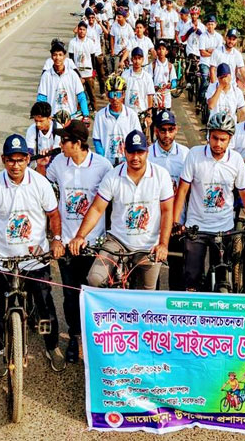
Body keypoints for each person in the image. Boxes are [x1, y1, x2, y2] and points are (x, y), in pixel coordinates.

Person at [0, 134, 67, 374]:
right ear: (3, 160)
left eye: (20, 159)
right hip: (5, 259)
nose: (15, 165)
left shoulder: (40, 183)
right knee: (3, 306)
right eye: (11, 160)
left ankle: (51, 345)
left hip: (35, 259)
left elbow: (53, 215)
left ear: (27, 159)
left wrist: (56, 241)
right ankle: (4, 351)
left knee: (45, 306)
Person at [41, 122, 112, 362]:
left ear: (78, 144)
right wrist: (41, 167)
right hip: (67, 244)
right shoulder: (59, 163)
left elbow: (107, 204)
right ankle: (75, 337)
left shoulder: (103, 166)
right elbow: (44, 188)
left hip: (93, 243)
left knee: (92, 292)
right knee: (71, 295)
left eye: (64, 141)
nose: (60, 145)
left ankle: (95, 340)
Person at [70, 130, 173, 290]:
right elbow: (97, 209)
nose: (136, 157)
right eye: (131, 152)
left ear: (147, 151)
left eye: (140, 152)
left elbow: (167, 211)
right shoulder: (112, 176)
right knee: (94, 279)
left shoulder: (161, 175)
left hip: (149, 245)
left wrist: (163, 244)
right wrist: (80, 236)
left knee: (147, 294)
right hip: (117, 242)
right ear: (124, 151)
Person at [172, 112, 245, 292]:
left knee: (222, 279)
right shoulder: (194, 155)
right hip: (196, 228)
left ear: (230, 140)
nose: (218, 144)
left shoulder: (235, 160)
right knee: (191, 282)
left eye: (223, 139)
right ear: (208, 135)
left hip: (223, 229)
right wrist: (176, 222)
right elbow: (182, 190)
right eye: (214, 138)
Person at [148, 110, 189, 288]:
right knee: (151, 272)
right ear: (156, 130)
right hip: (153, 224)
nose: (167, 134)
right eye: (162, 130)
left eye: (170, 129)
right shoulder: (147, 155)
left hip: (178, 223)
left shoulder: (186, 155)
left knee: (178, 271)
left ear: (176, 130)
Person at [92, 76, 141, 165]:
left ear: (123, 94)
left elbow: (137, 138)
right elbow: (97, 140)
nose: (115, 98)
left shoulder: (131, 115)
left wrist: (130, 158)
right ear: (107, 95)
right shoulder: (100, 116)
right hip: (107, 162)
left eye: (118, 94)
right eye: (111, 94)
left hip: (127, 162)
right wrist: (103, 159)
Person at [37, 40, 89, 119]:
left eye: (60, 55)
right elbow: (41, 98)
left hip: (71, 117)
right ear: (51, 57)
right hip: (53, 118)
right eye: (55, 55)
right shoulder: (46, 76)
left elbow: (81, 96)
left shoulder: (72, 75)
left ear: (64, 56)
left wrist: (85, 114)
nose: (57, 58)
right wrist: (42, 115)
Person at [212, 28, 245, 95]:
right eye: (229, 39)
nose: (231, 41)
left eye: (233, 39)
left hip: (231, 87)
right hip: (218, 86)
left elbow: (242, 71)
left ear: (236, 41)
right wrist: (213, 85)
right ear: (226, 38)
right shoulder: (217, 52)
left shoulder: (237, 54)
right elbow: (212, 70)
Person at [69, 21, 100, 111]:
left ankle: (94, 110)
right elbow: (71, 59)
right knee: (78, 94)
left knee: (91, 93)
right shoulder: (73, 42)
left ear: (86, 31)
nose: (82, 31)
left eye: (83, 30)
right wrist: (75, 73)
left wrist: (94, 70)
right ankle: (79, 111)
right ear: (77, 30)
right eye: (80, 29)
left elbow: (92, 57)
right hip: (77, 73)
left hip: (88, 72)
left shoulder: (90, 42)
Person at [26, 101, 62, 170]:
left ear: (49, 118)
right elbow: (29, 152)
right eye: (36, 121)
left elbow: (56, 155)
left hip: (54, 168)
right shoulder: (32, 130)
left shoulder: (58, 129)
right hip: (38, 167)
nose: (38, 124)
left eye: (41, 121)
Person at [121, 46, 155, 115]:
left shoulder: (147, 77)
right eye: (135, 58)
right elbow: (122, 94)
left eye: (139, 58)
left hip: (142, 112)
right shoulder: (125, 75)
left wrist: (149, 113)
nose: (137, 61)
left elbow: (150, 95)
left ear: (143, 60)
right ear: (131, 59)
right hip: (128, 112)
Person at [151, 40, 177, 109]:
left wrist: (171, 85)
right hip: (155, 96)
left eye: (163, 49)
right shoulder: (153, 65)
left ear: (166, 51)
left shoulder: (170, 66)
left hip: (166, 98)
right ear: (156, 51)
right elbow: (148, 81)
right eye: (159, 49)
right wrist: (154, 87)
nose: (161, 51)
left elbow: (174, 81)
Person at [109, 8, 135, 73]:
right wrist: (112, 50)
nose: (117, 18)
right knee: (116, 70)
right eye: (117, 16)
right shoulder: (114, 26)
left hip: (126, 52)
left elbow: (132, 40)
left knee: (127, 69)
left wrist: (127, 49)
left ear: (124, 17)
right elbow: (112, 38)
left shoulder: (128, 27)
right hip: (116, 52)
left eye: (119, 17)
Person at [198, 15, 222, 83]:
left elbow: (219, 53)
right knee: (205, 81)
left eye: (212, 24)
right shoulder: (203, 36)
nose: (210, 26)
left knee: (217, 81)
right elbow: (202, 53)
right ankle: (201, 94)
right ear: (206, 25)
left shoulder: (219, 37)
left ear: (215, 25)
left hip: (215, 63)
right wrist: (214, 52)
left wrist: (208, 51)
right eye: (209, 24)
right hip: (205, 62)